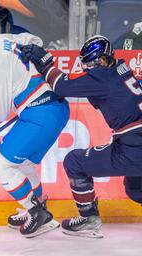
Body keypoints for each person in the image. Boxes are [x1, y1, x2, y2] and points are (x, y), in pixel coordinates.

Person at [18, 35, 142, 238]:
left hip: (133, 148)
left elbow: (62, 85)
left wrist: (46, 63)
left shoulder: (103, 77)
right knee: (135, 189)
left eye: (91, 63)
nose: (88, 69)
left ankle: (89, 219)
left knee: (74, 161)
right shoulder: (121, 68)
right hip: (134, 142)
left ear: (102, 60)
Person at [0, 18, 70, 238]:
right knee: (22, 163)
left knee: (0, 165)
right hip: (56, 108)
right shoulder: (3, 39)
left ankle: (36, 212)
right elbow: (34, 41)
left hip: (40, 113)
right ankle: (40, 208)